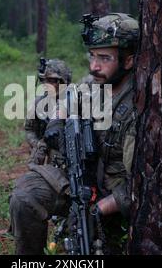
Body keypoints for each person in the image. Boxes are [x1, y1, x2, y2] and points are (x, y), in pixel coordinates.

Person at [9, 13, 140, 255]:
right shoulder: (93, 84)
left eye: (104, 58)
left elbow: (140, 185)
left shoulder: (138, 106)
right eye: (92, 56)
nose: (94, 66)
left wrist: (100, 208)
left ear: (129, 61)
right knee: (24, 197)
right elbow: (69, 98)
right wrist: (58, 121)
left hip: (112, 197)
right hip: (76, 180)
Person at [25, 59, 72, 165]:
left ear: (63, 82)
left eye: (51, 80)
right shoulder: (38, 103)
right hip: (49, 152)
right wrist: (38, 144)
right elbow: (29, 129)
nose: (46, 84)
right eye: (44, 80)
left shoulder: (76, 101)